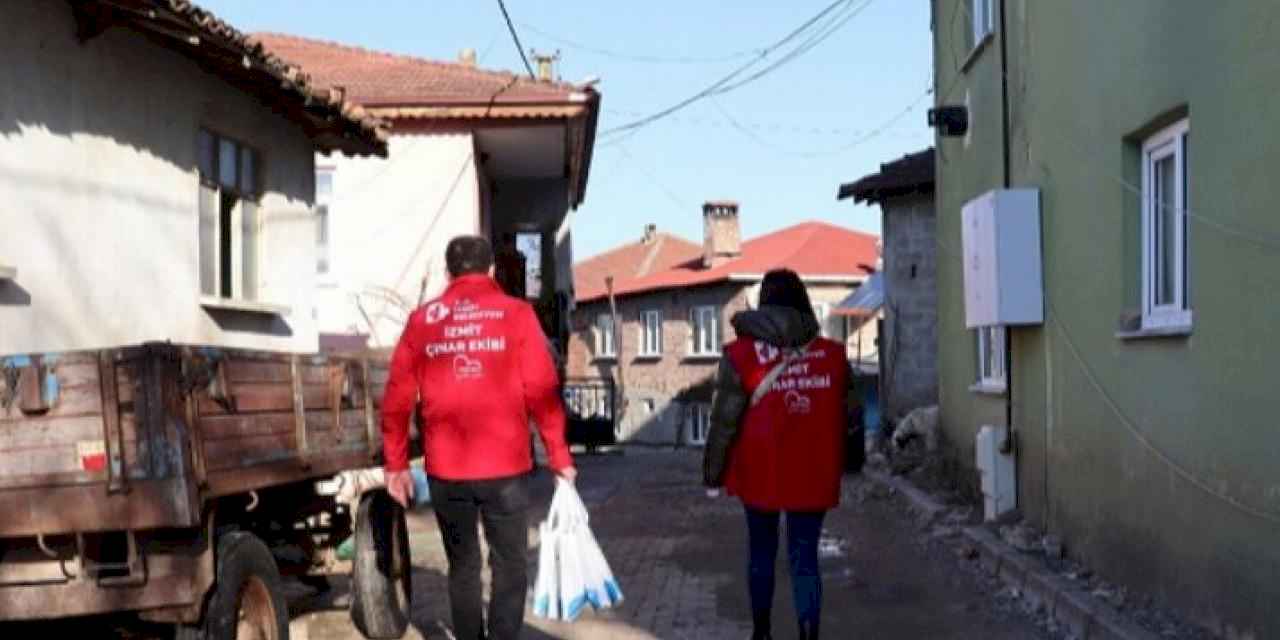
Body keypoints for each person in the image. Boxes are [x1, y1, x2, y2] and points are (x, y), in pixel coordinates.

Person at [382, 235, 577, 640]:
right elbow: (542, 390)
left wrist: (396, 464)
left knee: (463, 565)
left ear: (448, 272)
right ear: (491, 271)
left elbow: (397, 398)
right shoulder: (517, 314)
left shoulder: (423, 320)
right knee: (510, 564)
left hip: (446, 470)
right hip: (505, 469)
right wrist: (559, 456)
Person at [703, 269, 853, 640]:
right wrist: (850, 462)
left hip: (759, 471)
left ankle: (762, 634)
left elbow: (724, 421)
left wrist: (713, 473)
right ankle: (808, 634)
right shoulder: (832, 355)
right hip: (812, 469)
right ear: (802, 302)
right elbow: (850, 416)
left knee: (761, 554)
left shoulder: (740, 355)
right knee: (805, 558)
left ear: (764, 304)